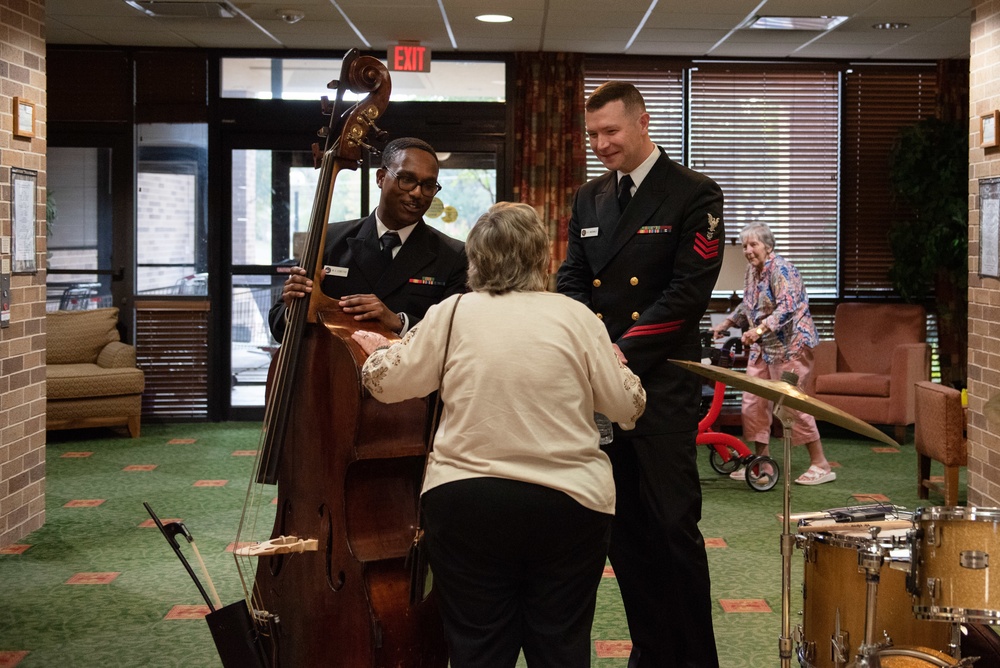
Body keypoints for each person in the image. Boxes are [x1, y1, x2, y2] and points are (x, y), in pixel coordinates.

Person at [352, 202, 646, 668]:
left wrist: (378, 351)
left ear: (476, 259)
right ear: (541, 258)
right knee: (561, 646)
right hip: (569, 504)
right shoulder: (577, 317)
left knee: (477, 648)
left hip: (465, 502)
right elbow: (627, 407)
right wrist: (619, 368)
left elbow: (387, 384)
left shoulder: (450, 313)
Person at [556, 81, 723, 667]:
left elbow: (684, 297)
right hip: (602, 392)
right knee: (623, 537)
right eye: (594, 134)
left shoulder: (693, 194)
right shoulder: (590, 198)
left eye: (612, 132)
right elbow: (573, 279)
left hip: (661, 390)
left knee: (673, 531)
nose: (602, 144)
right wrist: (586, 345)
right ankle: (650, 653)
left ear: (643, 123)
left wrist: (619, 353)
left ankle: (695, 659)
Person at [267, 136, 467, 340]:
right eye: (406, 179)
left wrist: (399, 323)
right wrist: (294, 308)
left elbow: (455, 336)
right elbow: (277, 325)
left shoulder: (453, 256)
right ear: (380, 178)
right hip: (330, 369)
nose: (417, 193)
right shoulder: (327, 238)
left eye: (428, 185)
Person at [710, 221, 835, 485]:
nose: (748, 250)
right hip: (763, 348)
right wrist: (728, 323)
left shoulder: (782, 270)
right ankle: (762, 463)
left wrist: (759, 330)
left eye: (753, 244)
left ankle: (821, 464)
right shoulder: (752, 271)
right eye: (745, 245)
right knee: (752, 404)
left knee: (793, 405)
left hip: (790, 346)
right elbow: (748, 305)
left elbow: (787, 307)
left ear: (768, 245)